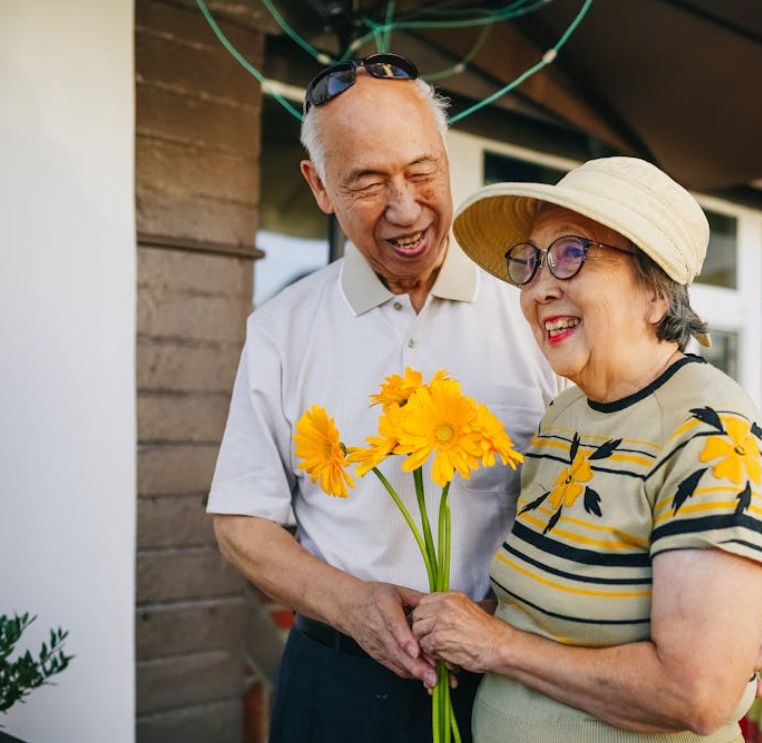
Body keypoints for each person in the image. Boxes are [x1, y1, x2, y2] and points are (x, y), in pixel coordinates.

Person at [206, 54, 557, 742]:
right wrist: (352, 604)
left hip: (514, 682)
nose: (405, 208)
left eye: (421, 171)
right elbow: (240, 522)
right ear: (319, 186)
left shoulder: (537, 306)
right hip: (336, 679)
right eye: (367, 181)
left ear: (447, 158)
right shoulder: (283, 325)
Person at [412, 157, 762, 742]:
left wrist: (497, 647)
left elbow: (696, 693)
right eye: (530, 262)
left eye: (571, 254)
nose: (540, 287)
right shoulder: (565, 414)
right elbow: (557, 615)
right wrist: (464, 624)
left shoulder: (711, 436)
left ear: (655, 291)